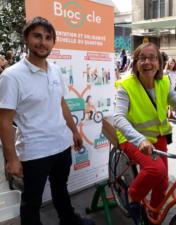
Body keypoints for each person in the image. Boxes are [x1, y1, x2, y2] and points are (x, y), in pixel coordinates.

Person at [0, 17, 95, 225]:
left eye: (48, 37)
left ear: (53, 42)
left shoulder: (54, 70)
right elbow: (4, 121)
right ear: (26, 38)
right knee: (32, 202)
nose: (43, 42)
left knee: (61, 189)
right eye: (37, 36)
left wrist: (75, 132)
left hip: (61, 146)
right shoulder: (12, 76)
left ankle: (68, 219)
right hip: (35, 153)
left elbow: (61, 104)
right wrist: (12, 159)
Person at [113, 42, 176, 224]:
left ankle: (153, 215)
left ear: (159, 63)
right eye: (142, 58)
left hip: (157, 138)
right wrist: (140, 140)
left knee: (162, 183)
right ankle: (132, 196)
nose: (147, 62)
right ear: (135, 62)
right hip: (133, 139)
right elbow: (118, 117)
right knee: (155, 169)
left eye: (152, 58)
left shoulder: (164, 83)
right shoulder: (126, 86)